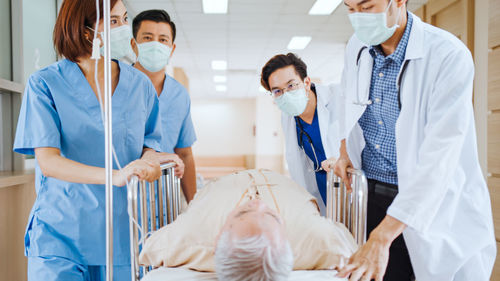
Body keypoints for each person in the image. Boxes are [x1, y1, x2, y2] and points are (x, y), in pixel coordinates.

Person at [323, 0, 496, 280]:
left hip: (428, 203)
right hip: (373, 194)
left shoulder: (448, 55)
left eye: (367, 8)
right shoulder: (356, 46)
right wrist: (344, 150)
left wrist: (382, 237)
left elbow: (439, 157)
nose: (358, 18)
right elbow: (347, 100)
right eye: (350, 9)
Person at [13, 0, 178, 280]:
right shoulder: (44, 84)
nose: (125, 29)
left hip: (121, 235)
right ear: (86, 30)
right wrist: (116, 175)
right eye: (113, 21)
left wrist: (153, 161)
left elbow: (150, 145)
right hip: (61, 235)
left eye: (125, 19)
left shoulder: (140, 86)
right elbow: (49, 161)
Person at [139, 169, 357, 280]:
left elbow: (151, 247)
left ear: (218, 238)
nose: (258, 203)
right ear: (288, 244)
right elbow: (348, 247)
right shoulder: (315, 240)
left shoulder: (193, 235)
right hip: (279, 180)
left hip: (226, 183)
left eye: (242, 212)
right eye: (272, 216)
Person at [260, 53, 343, 214]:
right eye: (277, 91)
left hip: (350, 190)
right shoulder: (288, 116)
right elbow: (299, 165)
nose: (286, 94)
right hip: (320, 195)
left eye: (291, 85)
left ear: (306, 82)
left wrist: (341, 159)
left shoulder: (339, 99)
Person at [131, 10, 197, 202]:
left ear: (171, 48)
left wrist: (193, 205)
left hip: (165, 201)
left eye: (163, 39)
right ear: (134, 45)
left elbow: (184, 153)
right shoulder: (117, 88)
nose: (155, 45)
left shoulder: (179, 95)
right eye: (148, 38)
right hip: (125, 198)